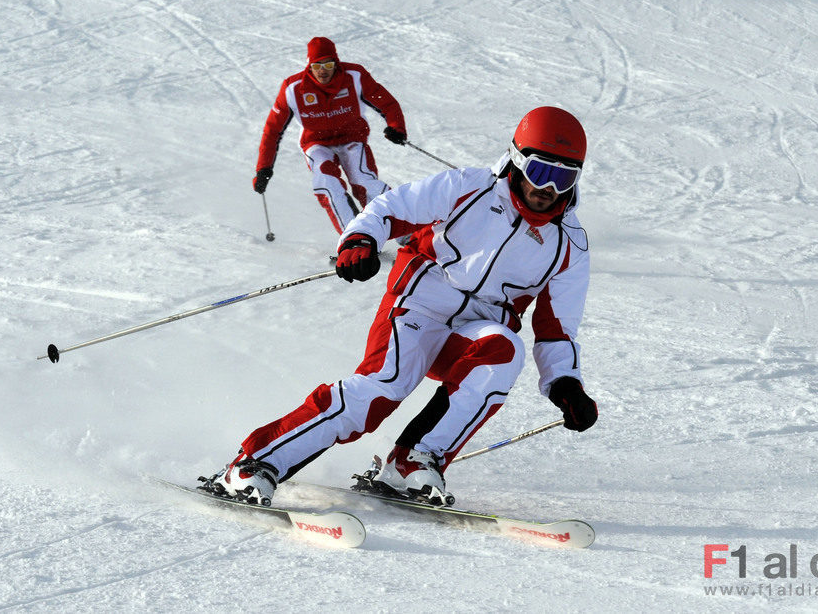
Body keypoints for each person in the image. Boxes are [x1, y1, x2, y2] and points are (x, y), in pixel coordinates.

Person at [209, 106, 598, 506]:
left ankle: (414, 460)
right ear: (517, 160)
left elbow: (557, 330)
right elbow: (391, 208)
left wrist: (565, 383)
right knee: (383, 388)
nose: (549, 188)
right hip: (419, 305)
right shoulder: (470, 187)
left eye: (563, 176)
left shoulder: (569, 244)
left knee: (506, 351)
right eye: (540, 171)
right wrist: (360, 240)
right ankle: (253, 464)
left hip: (473, 331)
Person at [252, 36, 408, 235]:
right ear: (309, 65)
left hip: (352, 138)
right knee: (326, 182)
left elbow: (386, 102)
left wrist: (397, 128)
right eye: (317, 65)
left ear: (336, 62)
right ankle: (355, 239)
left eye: (328, 63)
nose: (323, 70)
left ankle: (409, 235)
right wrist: (264, 168)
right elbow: (272, 130)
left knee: (364, 181)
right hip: (317, 144)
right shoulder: (293, 89)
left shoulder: (354, 75)